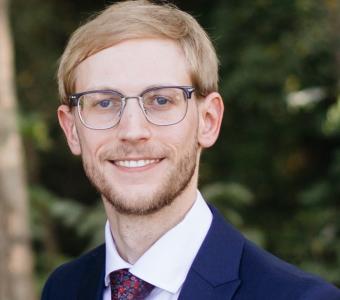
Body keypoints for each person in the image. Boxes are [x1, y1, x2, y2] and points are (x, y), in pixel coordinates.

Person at [42, 1, 340, 299]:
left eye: (160, 100)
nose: (132, 131)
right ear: (71, 130)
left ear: (208, 121)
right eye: (104, 102)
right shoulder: (63, 288)